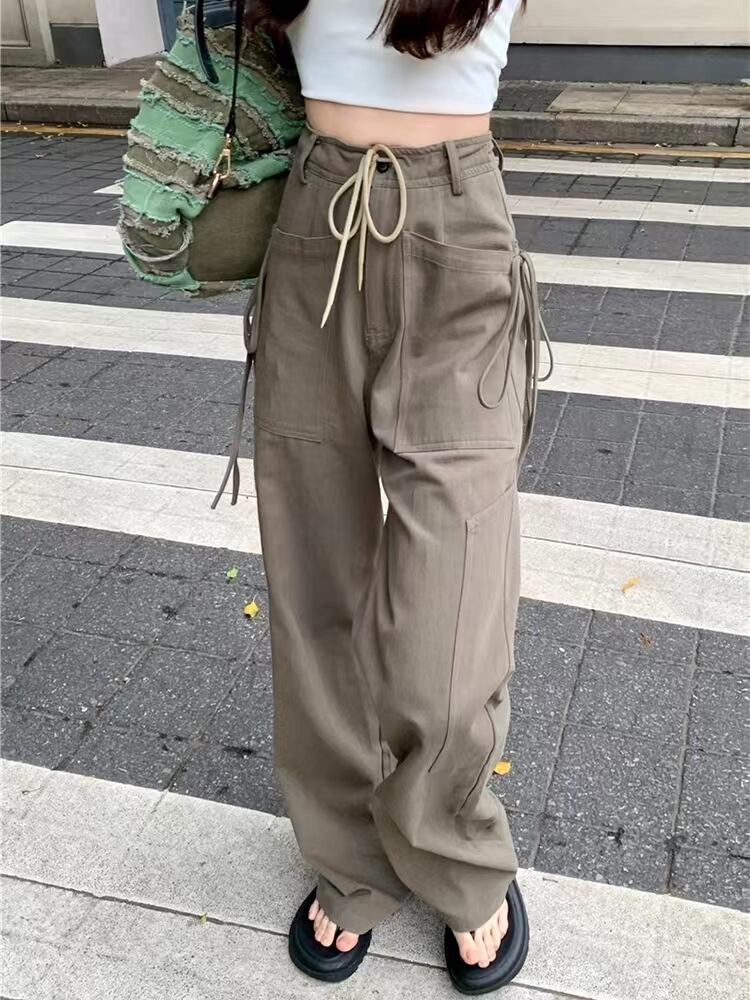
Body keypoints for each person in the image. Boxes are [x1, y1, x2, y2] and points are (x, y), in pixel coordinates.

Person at [247, 0, 549, 992]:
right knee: (315, 575)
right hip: (315, 222)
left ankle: (453, 847)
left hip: (459, 229)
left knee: (453, 606)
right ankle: (348, 861)